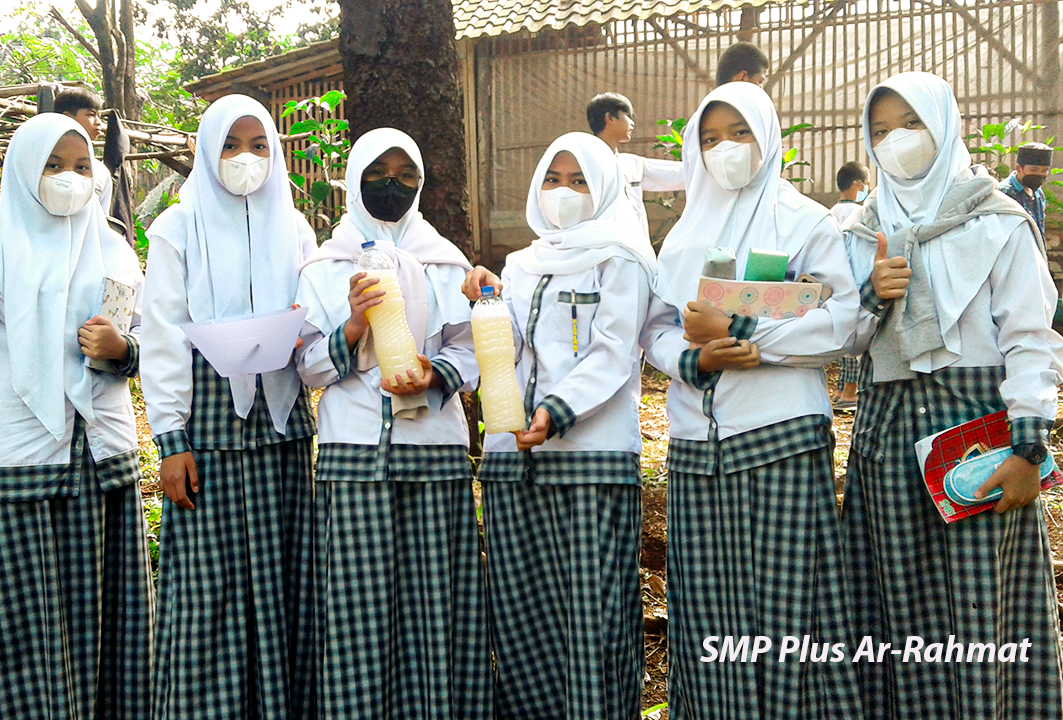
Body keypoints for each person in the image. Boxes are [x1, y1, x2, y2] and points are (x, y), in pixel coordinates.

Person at [842, 71, 1063, 720]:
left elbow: (1030, 338)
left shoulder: (995, 219)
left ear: (943, 126)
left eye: (911, 125)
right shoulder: (863, 228)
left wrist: (1029, 445)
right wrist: (868, 295)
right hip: (885, 439)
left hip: (976, 442)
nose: (894, 143)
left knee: (979, 605)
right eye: (880, 131)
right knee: (895, 601)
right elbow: (843, 339)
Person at [642, 82, 862, 719]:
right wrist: (694, 358)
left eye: (739, 134)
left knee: (790, 606)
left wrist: (748, 339)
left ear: (767, 138)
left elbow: (843, 320)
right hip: (694, 446)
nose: (725, 151)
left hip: (780, 437)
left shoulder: (805, 221)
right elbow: (654, 327)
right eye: (709, 139)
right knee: (708, 614)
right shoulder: (682, 237)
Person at [0, 113, 153, 719]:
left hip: (102, 458)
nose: (69, 178)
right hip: (24, 457)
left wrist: (121, 351)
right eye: (54, 166)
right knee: (28, 623)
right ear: (24, 171)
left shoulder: (112, 248)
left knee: (109, 614)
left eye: (82, 166)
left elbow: (137, 339)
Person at [294, 128, 492, 719]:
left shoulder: (446, 261)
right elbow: (306, 365)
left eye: (406, 174)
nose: (392, 184)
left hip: (433, 452)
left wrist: (435, 376)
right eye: (378, 172)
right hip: (354, 456)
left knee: (434, 607)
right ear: (355, 179)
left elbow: (471, 350)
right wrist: (352, 327)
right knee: (357, 613)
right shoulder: (324, 269)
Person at [460, 132, 652, 718]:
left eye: (578, 182)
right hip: (513, 462)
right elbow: (510, 348)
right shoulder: (522, 263)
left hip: (590, 460)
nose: (562, 193)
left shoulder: (624, 258)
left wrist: (555, 411)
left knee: (592, 617)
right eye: (552, 179)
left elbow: (614, 350)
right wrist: (488, 300)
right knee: (523, 614)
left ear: (604, 190)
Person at [142, 95, 319, 720]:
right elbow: (161, 335)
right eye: (231, 145)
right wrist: (171, 440)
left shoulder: (295, 227)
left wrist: (304, 330)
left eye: (259, 145)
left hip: (282, 426)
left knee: (285, 585)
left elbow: (311, 313)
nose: (246, 159)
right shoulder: (176, 227)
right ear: (207, 151)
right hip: (209, 431)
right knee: (209, 595)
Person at [586, 91, 684, 248]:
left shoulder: (632, 164)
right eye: (627, 116)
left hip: (637, 252)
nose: (632, 124)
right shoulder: (584, 164)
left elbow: (681, 174)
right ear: (610, 118)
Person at [832, 160, 871, 411]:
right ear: (857, 185)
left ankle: (839, 389)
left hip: (837, 280)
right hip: (855, 279)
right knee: (856, 342)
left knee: (843, 336)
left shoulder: (831, 211)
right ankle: (849, 392)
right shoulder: (861, 213)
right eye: (866, 184)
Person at [53, 86, 114, 212]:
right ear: (68, 117)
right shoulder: (41, 163)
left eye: (99, 116)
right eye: (91, 115)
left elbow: (101, 219)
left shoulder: (100, 171)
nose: (98, 122)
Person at [999, 141, 1052, 235]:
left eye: (1044, 170)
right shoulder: (1004, 193)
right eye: (1034, 170)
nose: (1039, 174)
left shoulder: (1038, 193)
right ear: (1019, 169)